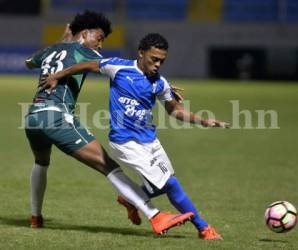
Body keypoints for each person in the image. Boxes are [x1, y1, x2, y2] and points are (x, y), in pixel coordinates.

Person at [41, 33, 229, 240]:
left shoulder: (160, 83)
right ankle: (204, 228)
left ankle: (131, 200)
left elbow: (175, 111)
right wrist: (57, 76)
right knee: (171, 185)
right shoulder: (118, 68)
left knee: (164, 183)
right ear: (141, 53)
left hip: (150, 141)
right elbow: (87, 65)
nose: (158, 65)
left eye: (162, 61)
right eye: (154, 59)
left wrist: (204, 121)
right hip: (125, 142)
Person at [24, 11, 193, 235]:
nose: (101, 45)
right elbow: (126, 68)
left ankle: (36, 217)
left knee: (41, 162)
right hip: (56, 117)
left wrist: (61, 42)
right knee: (109, 166)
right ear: (84, 34)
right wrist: (161, 85)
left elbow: (28, 63)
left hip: (33, 117)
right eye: (100, 37)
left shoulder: (51, 50)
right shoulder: (85, 51)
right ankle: (156, 216)